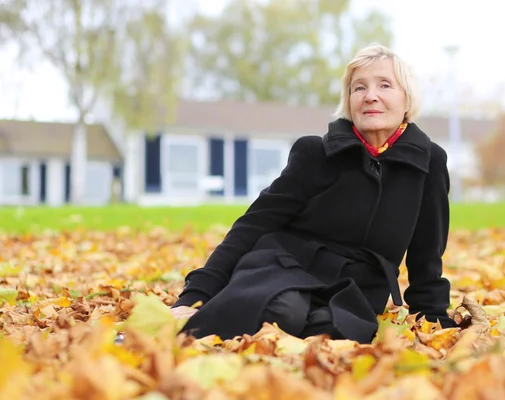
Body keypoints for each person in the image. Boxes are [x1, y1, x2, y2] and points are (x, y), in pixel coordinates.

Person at [170, 43, 457, 344]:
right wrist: (196, 296)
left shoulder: (429, 163)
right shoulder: (314, 153)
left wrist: (433, 321)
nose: (370, 95)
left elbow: (427, 253)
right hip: (281, 268)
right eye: (359, 88)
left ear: (407, 98)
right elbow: (253, 224)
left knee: (334, 331)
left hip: (355, 291)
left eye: (384, 85)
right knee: (284, 311)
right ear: (349, 101)